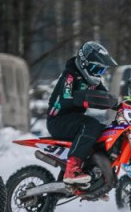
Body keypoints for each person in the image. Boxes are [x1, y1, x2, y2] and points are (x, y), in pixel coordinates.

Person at [47, 41, 119, 184]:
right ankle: (72, 170)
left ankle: (96, 173)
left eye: (101, 70)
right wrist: (85, 98)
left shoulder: (93, 81)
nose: (98, 73)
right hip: (58, 120)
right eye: (95, 69)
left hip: (75, 120)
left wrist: (120, 105)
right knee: (91, 125)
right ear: (84, 63)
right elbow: (66, 97)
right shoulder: (69, 75)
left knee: (108, 130)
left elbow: (105, 97)